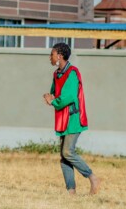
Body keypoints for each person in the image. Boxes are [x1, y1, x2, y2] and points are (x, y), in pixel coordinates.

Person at [43, 42, 101, 195]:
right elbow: (54, 92)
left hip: (73, 118)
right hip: (62, 118)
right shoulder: (57, 74)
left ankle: (92, 177)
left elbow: (68, 97)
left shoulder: (73, 73)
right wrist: (50, 97)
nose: (50, 57)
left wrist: (53, 101)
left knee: (68, 152)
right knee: (63, 155)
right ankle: (71, 190)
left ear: (60, 56)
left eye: (52, 54)